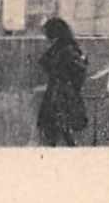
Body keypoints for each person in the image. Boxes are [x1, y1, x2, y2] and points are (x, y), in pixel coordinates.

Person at [37, 16, 89, 146]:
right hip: (60, 92)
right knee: (59, 129)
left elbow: (78, 70)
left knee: (58, 127)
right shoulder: (64, 47)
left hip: (61, 94)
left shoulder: (65, 49)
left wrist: (67, 85)